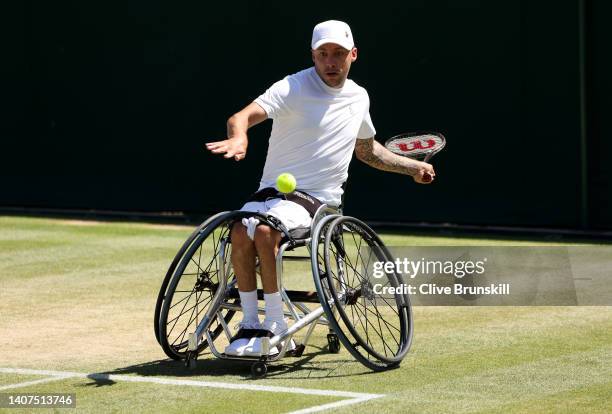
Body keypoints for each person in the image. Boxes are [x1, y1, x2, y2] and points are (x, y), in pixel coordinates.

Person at [206, 20, 435, 356]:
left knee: (265, 233)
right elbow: (240, 118)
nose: (331, 61)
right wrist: (239, 137)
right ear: (312, 56)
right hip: (270, 193)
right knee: (241, 229)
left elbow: (367, 151)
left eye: (338, 54)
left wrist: (412, 167)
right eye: (323, 54)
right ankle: (250, 325)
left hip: (319, 201)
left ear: (353, 55)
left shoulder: (359, 98)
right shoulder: (292, 87)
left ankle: (276, 325)